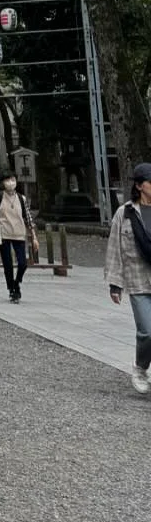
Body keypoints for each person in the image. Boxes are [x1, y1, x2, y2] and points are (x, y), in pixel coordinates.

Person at [104, 162, 151, 392]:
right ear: (140, 185)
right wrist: (115, 283)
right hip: (138, 279)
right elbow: (115, 247)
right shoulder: (126, 213)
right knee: (147, 331)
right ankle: (141, 367)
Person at [0, 171, 36, 302]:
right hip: (4, 233)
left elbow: (28, 217)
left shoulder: (22, 198)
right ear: (3, 183)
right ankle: (12, 289)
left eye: (13, 179)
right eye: (8, 180)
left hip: (19, 233)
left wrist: (34, 235)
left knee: (22, 263)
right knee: (7, 264)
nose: (11, 183)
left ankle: (17, 282)